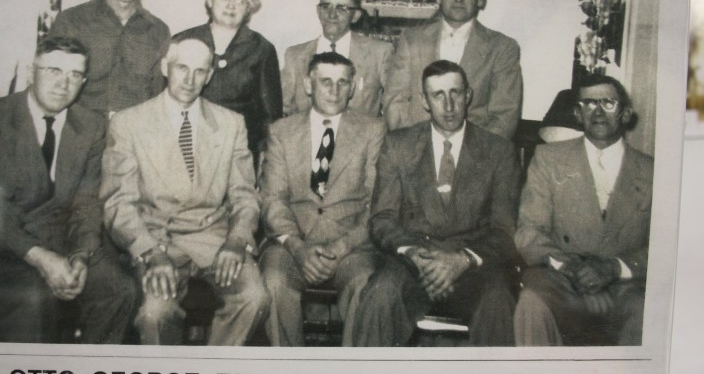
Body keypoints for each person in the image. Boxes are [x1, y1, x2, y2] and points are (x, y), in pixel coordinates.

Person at [100, 38, 269, 346]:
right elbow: (118, 203)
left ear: (209, 76)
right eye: (182, 68)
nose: (190, 80)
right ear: (165, 68)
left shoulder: (231, 124)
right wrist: (150, 252)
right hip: (156, 238)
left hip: (214, 237)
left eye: (199, 71)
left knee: (255, 298)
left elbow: (244, 195)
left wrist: (236, 240)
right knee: (154, 313)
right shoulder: (128, 123)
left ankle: (214, 370)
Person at [354, 60, 520, 346]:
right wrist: (413, 253)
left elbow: (504, 231)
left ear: (468, 95)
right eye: (438, 95)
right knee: (379, 294)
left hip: (473, 267)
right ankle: (370, 373)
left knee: (498, 300)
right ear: (424, 101)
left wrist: (463, 260)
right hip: (413, 263)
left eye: (456, 93)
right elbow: (382, 219)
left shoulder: (499, 151)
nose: (449, 105)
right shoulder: (398, 145)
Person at [0, 37, 136, 344]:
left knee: (119, 290)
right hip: (5, 247)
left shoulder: (91, 125)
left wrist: (81, 256)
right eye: (53, 71)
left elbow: (87, 203)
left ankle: (94, 369)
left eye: (74, 75)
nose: (63, 84)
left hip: (65, 240)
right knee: (32, 300)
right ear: (31, 72)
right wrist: (42, 258)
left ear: (83, 82)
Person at [514, 74, 652, 346]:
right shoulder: (548, 159)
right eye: (589, 104)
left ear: (625, 114)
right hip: (561, 276)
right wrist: (573, 268)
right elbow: (529, 231)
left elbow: (665, 246)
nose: (598, 111)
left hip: (626, 285)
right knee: (532, 302)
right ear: (578, 114)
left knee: (646, 313)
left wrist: (613, 268)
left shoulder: (652, 171)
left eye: (608, 103)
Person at [261, 52, 386, 346]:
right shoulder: (282, 131)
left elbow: (377, 203)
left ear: (352, 88)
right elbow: (273, 199)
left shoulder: (372, 130)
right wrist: (297, 247)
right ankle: (288, 367)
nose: (334, 90)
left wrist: (341, 247)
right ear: (308, 84)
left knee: (365, 286)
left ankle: (351, 369)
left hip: (351, 246)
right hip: (292, 242)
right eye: (326, 81)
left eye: (343, 83)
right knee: (274, 282)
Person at [383, 0, 523, 139]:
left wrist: (473, 152)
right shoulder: (412, 39)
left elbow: (505, 116)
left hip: (475, 150)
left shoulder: (502, 47)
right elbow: (395, 101)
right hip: (416, 145)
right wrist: (410, 145)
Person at [174, 0, 282, 168]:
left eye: (240, 0)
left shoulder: (261, 48)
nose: (231, 5)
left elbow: (270, 116)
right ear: (210, 0)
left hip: (239, 151)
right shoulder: (183, 40)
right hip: (187, 144)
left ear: (248, 8)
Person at [48, 0, 171, 115]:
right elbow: (51, 87)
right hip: (80, 129)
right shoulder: (72, 21)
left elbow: (157, 99)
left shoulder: (158, 31)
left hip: (134, 129)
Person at [281, 0, 393, 117]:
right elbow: (284, 109)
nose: (332, 14)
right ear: (318, 12)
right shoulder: (295, 56)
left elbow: (394, 104)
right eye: (326, 7)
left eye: (341, 8)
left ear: (355, 16)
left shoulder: (379, 53)